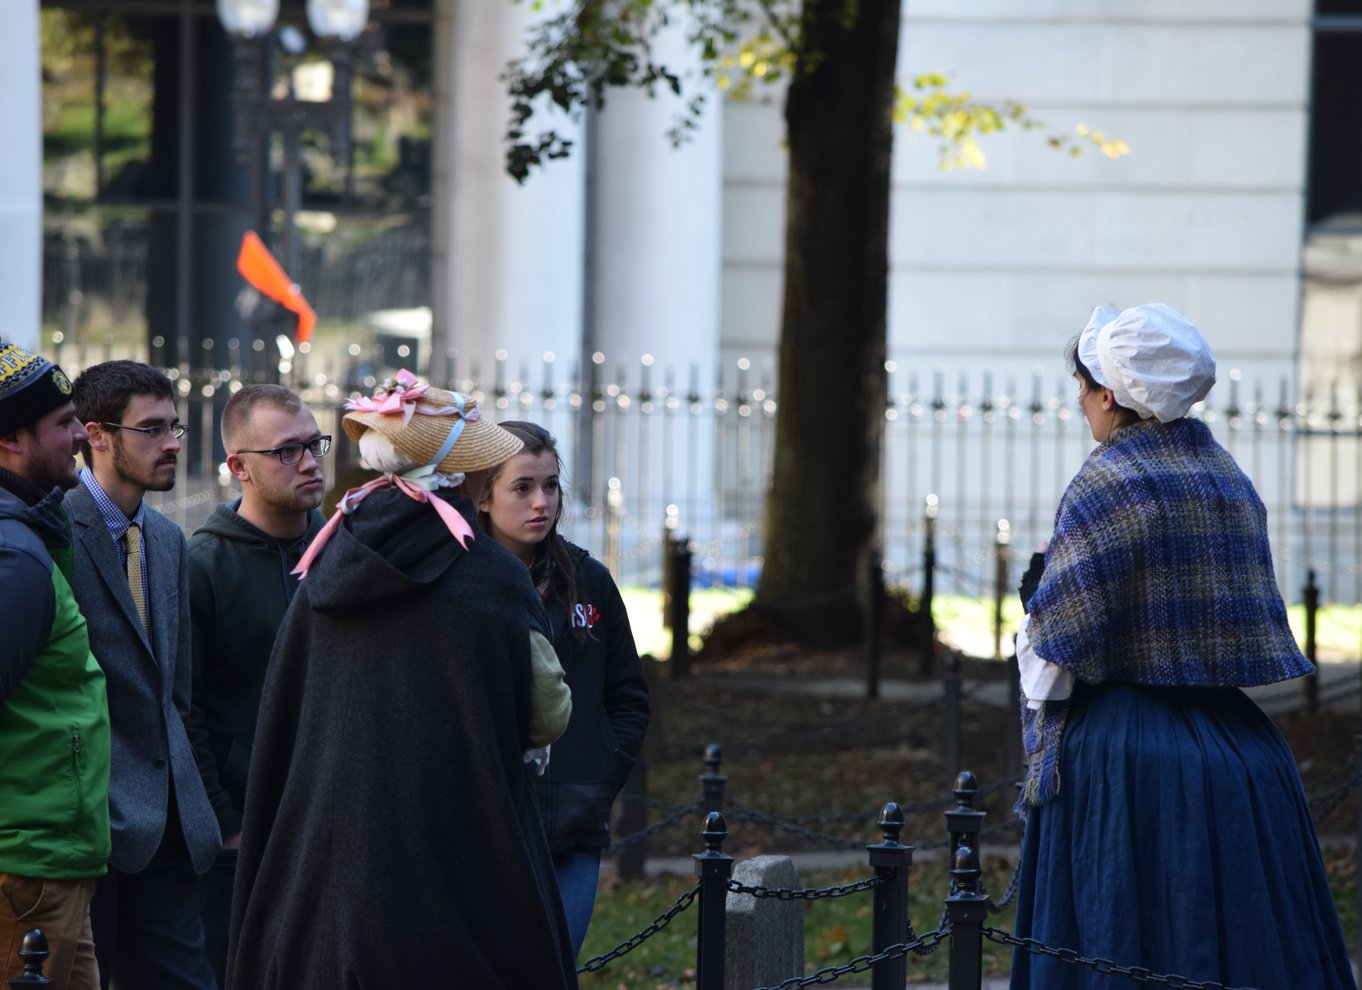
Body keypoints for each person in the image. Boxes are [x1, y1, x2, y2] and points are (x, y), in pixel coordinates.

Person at [1010, 304, 1354, 988]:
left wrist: (1037, 613)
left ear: (1108, 395)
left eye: (1082, 387)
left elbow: (1051, 658)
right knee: (1244, 942)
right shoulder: (1228, 478)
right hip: (1241, 752)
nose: (1080, 402)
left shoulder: (1108, 482)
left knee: (1122, 939)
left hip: (1126, 758)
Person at [227, 373, 578, 989]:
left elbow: (287, 710)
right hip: (460, 857)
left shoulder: (331, 556)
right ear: (461, 477)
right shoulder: (489, 574)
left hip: (329, 872)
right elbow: (546, 713)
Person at [67, 361, 220, 990]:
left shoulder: (167, 537)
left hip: (171, 827)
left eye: (175, 428)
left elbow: (176, 691)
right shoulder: (54, 528)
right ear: (97, 434)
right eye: (152, 429)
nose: (174, 444)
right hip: (89, 823)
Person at [477, 420, 650, 957]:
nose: (541, 502)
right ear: (484, 497)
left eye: (550, 485)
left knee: (552, 970)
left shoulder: (589, 579)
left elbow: (628, 695)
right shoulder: (462, 580)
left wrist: (602, 769)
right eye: (522, 487)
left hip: (572, 827)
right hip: (486, 831)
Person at [187, 384, 328, 987]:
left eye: (315, 444)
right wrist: (225, 823)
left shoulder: (346, 549)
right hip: (244, 838)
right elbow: (182, 707)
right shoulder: (203, 566)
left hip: (336, 823)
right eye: (288, 451)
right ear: (239, 467)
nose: (313, 462)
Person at [0, 341, 111, 990]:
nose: (80, 435)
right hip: (27, 864)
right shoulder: (14, 554)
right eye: (64, 423)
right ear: (12, 438)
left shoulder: (27, 533)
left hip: (49, 859)